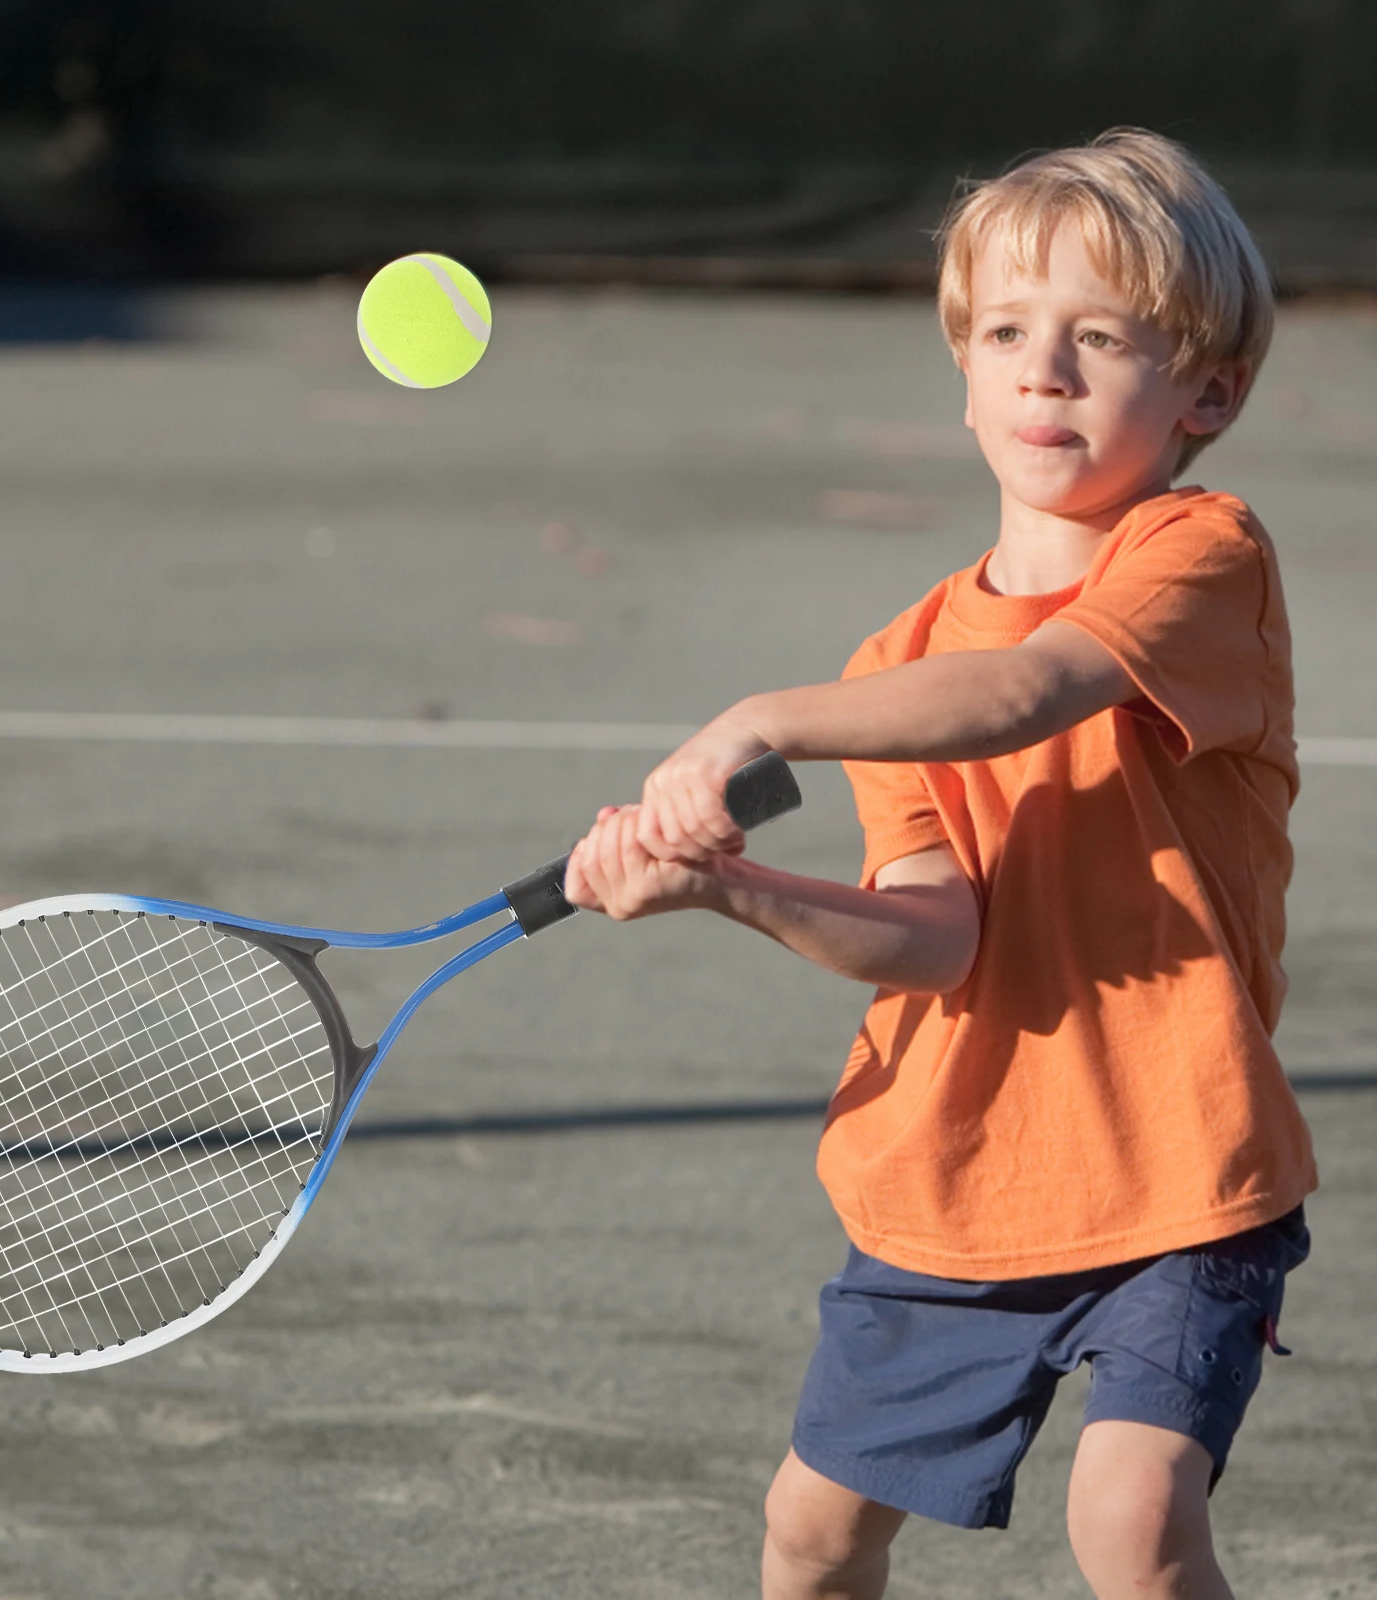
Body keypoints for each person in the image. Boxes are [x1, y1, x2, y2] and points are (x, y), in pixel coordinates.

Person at [562, 128, 1317, 1600]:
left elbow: (1026, 693)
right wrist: (726, 885)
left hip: (1182, 1170)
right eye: (1007, 333)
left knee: (1134, 1521)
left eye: (1101, 339)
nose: (1045, 372)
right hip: (955, 1179)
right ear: (964, 370)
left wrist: (753, 722)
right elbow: (932, 936)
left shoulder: (1203, 556)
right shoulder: (894, 661)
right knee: (814, 1534)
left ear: (1208, 392)